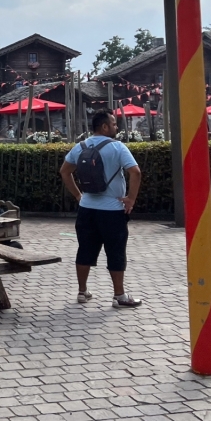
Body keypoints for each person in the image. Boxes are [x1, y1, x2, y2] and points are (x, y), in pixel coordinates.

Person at [59, 109, 143, 308]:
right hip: (113, 210)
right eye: (114, 124)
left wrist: (79, 195)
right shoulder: (118, 147)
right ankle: (119, 296)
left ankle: (82, 292)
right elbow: (136, 172)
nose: (116, 127)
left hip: (87, 209)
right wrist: (131, 199)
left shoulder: (80, 146)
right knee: (115, 251)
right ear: (104, 126)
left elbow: (64, 171)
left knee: (85, 249)